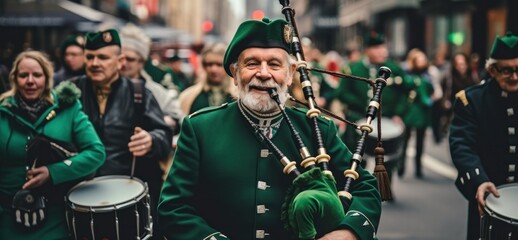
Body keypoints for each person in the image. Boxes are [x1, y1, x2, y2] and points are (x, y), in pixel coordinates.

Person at [158, 17, 381, 240]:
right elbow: (173, 207)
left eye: (274, 64)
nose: (263, 73)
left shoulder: (319, 129)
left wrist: (348, 232)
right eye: (252, 63)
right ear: (235, 74)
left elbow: (365, 187)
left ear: (290, 73)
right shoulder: (200, 129)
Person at [70, 29, 172, 239]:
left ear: (120, 60)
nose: (95, 63)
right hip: (79, 198)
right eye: (90, 57)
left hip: (128, 201)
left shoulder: (139, 92)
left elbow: (164, 135)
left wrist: (151, 140)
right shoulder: (70, 92)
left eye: (103, 57)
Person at [0, 50, 105, 239]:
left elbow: (96, 153)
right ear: (14, 78)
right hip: (7, 217)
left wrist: (53, 172)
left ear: (47, 78)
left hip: (55, 216)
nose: (30, 81)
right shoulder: (2, 112)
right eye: (23, 75)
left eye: (37, 75)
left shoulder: (68, 108)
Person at [449, 32, 518, 240]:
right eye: (507, 70)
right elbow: (462, 145)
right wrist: (479, 181)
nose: (515, 76)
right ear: (492, 69)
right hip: (489, 195)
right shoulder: (471, 100)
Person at [335, 31, 412, 181]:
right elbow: (342, 93)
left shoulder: (394, 69)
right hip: (359, 119)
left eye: (384, 47)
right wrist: (364, 105)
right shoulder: (353, 69)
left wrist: (399, 113)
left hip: (387, 120)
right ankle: (356, 185)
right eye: (378, 48)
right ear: (368, 50)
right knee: (356, 155)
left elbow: (407, 92)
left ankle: (385, 186)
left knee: (387, 157)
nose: (383, 51)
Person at [120, 23, 183, 135]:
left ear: (141, 62)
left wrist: (161, 124)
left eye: (130, 59)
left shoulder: (156, 92)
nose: (124, 63)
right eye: (121, 58)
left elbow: (178, 118)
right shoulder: (105, 86)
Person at [399, 48, 442, 178]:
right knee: (405, 140)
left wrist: (430, 99)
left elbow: (437, 91)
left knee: (420, 140)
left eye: (423, 59)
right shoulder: (406, 73)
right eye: (419, 59)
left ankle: (418, 168)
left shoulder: (430, 73)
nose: (422, 62)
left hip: (423, 110)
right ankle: (401, 166)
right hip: (409, 110)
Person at [177, 42, 237, 116]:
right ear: (203, 66)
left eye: (219, 64)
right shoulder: (188, 97)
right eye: (209, 64)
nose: (213, 69)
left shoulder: (238, 96)